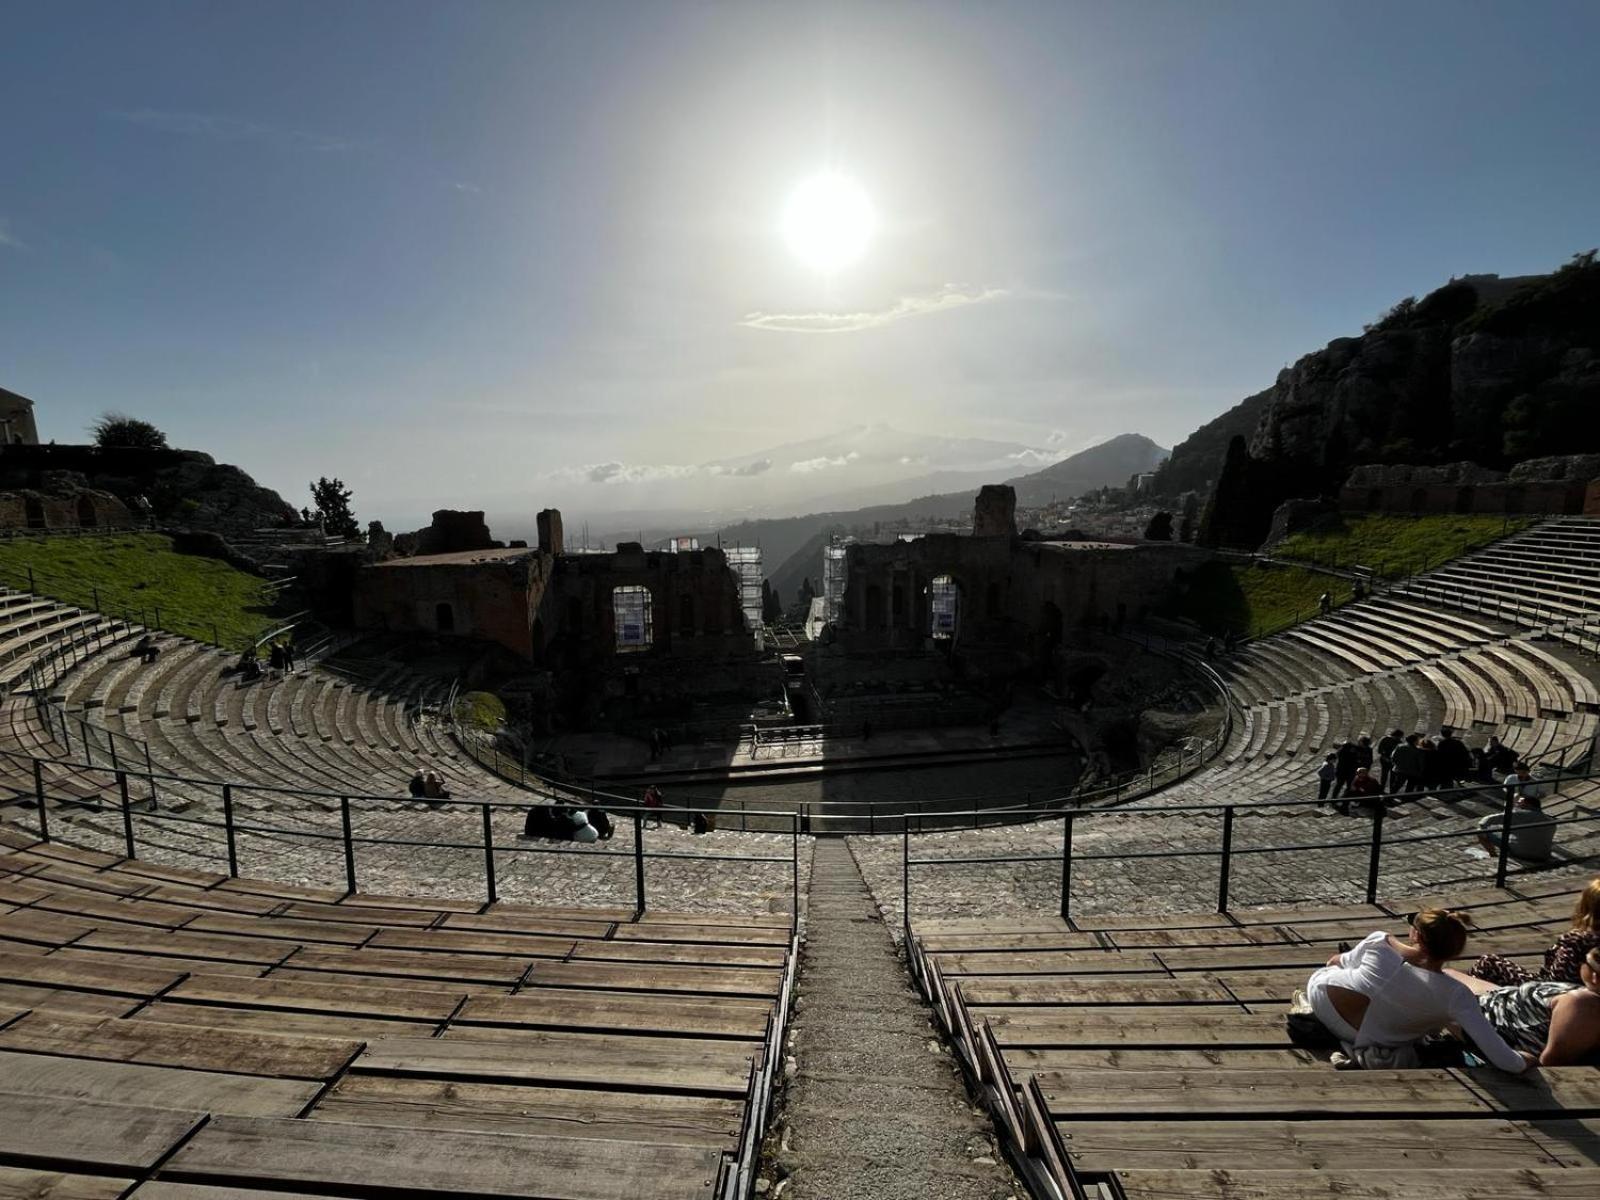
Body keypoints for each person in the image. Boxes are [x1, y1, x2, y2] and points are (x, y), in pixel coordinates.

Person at [1301, 908, 1535, 1072]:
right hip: (1366, 1036)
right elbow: (1508, 1063)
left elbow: (1335, 962)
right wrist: (1526, 1060)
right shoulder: (1457, 994)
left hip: (1321, 996)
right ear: (1454, 952)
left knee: (1343, 967)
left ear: (1416, 935)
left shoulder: (1379, 942)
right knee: (1443, 1017)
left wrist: (1386, 943)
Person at [1452, 947, 1600, 1067]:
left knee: (1434, 982)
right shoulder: (1585, 998)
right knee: (1447, 974)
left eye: (1584, 961)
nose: (1580, 965)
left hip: (1491, 1020)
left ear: (1595, 977)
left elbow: (1552, 1062)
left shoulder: (1582, 1005)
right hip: (1506, 1002)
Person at [1472, 877, 1600, 986]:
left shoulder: (1577, 942)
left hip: (1543, 993)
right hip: (1579, 989)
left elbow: (1556, 982)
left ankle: (1468, 1006)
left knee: (1488, 962)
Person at [1477, 792, 1556, 863]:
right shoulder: (1550, 820)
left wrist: (1483, 827)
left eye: (1519, 803)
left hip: (1521, 853)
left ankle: (1493, 856)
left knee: (1480, 831)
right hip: (1543, 855)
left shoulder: (1520, 814)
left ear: (1526, 804)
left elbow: (1487, 820)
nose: (1517, 805)